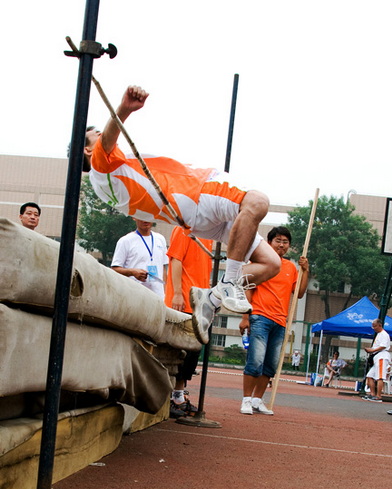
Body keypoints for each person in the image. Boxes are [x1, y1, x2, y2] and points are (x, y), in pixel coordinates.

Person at [85, 85, 281, 345]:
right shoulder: (102, 167)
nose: (104, 135)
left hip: (193, 217)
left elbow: (110, 142)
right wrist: (124, 109)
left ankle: (209, 300)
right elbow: (109, 139)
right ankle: (228, 283)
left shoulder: (108, 182)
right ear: (89, 150)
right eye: (96, 135)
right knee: (257, 202)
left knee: (271, 264)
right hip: (197, 192)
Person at [239, 226, 309, 416]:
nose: (281, 244)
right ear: (269, 243)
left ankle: (257, 400)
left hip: (280, 321)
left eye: (285, 242)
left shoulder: (291, 268)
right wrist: (245, 317)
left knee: (271, 364)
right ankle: (246, 399)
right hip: (260, 316)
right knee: (256, 360)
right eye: (278, 240)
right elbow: (249, 288)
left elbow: (299, 293)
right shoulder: (261, 262)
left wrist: (305, 271)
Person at [165, 226, 213, 418]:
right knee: (177, 352)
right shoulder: (183, 229)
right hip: (183, 301)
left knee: (192, 354)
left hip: (199, 304)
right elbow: (175, 259)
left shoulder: (209, 235)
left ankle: (178, 395)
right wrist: (177, 293)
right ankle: (169, 395)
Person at [111, 219, 168, 299]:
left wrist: (166, 293)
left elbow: (163, 267)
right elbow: (114, 269)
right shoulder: (125, 241)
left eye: (148, 216)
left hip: (158, 297)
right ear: (134, 217)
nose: (145, 220)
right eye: (142, 216)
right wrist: (132, 272)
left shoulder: (160, 239)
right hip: (135, 296)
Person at [363, 318, 391, 402]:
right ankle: (372, 394)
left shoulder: (383, 334)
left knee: (380, 377)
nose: (374, 328)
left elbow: (383, 346)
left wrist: (372, 350)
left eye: (375, 326)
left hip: (381, 356)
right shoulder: (379, 334)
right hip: (377, 357)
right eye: (373, 326)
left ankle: (378, 396)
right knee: (370, 376)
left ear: (380, 325)